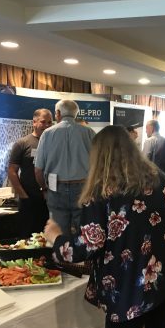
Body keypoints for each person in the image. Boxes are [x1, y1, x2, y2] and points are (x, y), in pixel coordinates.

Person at [44, 125, 165, 328]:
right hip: (162, 272)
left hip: (126, 282)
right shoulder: (160, 179)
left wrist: (55, 236)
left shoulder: (100, 192)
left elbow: (87, 246)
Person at [35, 99, 95, 236]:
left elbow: (38, 170)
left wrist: (44, 188)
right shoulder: (89, 133)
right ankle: (82, 257)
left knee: (59, 234)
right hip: (83, 188)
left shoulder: (47, 134)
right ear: (75, 113)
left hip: (56, 188)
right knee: (84, 233)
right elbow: (99, 165)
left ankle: (62, 256)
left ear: (57, 113)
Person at [7, 108, 53, 238]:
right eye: (43, 122)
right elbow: (12, 171)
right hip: (29, 199)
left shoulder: (54, 144)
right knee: (28, 236)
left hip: (49, 199)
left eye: (50, 122)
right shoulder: (22, 143)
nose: (47, 126)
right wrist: (23, 195)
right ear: (34, 122)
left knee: (47, 237)